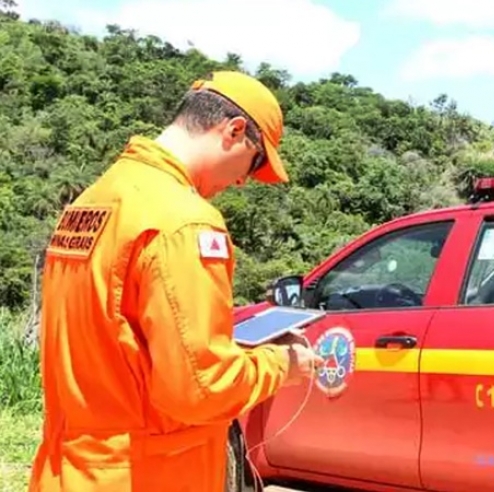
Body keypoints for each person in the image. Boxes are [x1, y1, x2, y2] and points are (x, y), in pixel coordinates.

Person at [28, 71, 322, 492]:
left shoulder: (93, 201)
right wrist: (282, 364)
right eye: (254, 164)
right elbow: (201, 388)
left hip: (70, 469)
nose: (241, 181)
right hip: (147, 472)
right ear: (234, 130)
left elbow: (119, 346)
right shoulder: (185, 221)